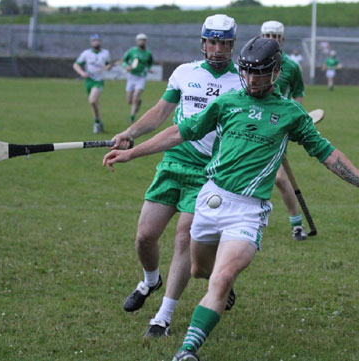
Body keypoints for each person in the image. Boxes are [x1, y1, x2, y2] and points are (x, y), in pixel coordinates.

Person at [102, 37, 359, 361]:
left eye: (261, 73)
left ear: (276, 71)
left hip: (249, 210)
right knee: (202, 271)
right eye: (248, 72)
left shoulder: (290, 113)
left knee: (222, 277)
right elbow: (179, 132)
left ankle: (187, 351)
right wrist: (133, 153)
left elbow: (325, 152)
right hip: (211, 198)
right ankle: (211, 289)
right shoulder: (227, 102)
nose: (253, 80)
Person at [111, 15, 242, 337]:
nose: (218, 49)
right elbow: (160, 112)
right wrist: (130, 132)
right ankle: (150, 281)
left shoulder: (242, 81)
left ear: (232, 45)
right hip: (172, 163)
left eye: (224, 42)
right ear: (203, 42)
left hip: (210, 171)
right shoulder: (185, 73)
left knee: (184, 236)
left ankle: (163, 317)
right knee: (145, 236)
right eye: (212, 41)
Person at [261, 20, 307, 240]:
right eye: (268, 35)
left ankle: (296, 224)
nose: (272, 40)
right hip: (251, 123)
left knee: (279, 178)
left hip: (277, 126)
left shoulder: (292, 67)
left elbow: (297, 95)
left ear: (282, 39)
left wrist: (293, 118)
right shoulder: (252, 61)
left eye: (276, 36)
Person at [73, 34, 112, 134]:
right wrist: (82, 73)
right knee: (95, 103)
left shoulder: (105, 53)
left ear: (100, 42)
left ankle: (97, 122)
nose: (96, 42)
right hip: (89, 81)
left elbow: (109, 64)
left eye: (98, 40)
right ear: (91, 42)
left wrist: (108, 67)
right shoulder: (86, 53)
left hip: (98, 81)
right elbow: (76, 64)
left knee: (92, 100)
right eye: (94, 41)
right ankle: (98, 122)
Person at [122, 33, 154, 123]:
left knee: (135, 96)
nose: (142, 42)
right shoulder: (131, 51)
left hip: (141, 77)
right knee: (129, 100)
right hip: (131, 76)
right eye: (140, 40)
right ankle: (138, 101)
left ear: (146, 41)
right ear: (137, 41)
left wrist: (149, 69)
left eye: (143, 40)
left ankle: (132, 117)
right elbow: (124, 61)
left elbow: (150, 63)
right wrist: (126, 66)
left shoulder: (148, 54)